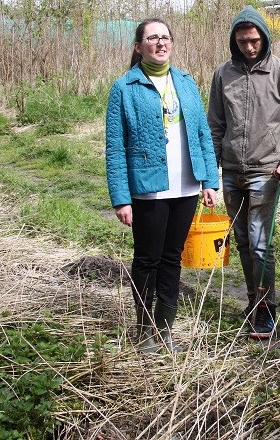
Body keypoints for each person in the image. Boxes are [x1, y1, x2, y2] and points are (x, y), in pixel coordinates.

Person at [106, 18, 219, 353]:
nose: (160, 42)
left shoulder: (185, 82)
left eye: (165, 37)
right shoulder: (124, 87)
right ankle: (143, 330)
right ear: (139, 46)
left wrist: (210, 180)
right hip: (147, 188)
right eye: (151, 37)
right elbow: (115, 146)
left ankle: (164, 329)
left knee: (172, 258)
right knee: (147, 259)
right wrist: (121, 198)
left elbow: (202, 134)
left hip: (185, 186)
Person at [208, 5, 280, 339]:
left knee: (259, 243)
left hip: (267, 172)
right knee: (241, 241)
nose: (249, 47)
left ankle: (266, 309)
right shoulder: (223, 74)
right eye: (242, 41)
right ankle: (254, 299)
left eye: (254, 40)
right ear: (233, 41)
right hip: (230, 171)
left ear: (264, 38)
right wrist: (211, 170)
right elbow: (215, 126)